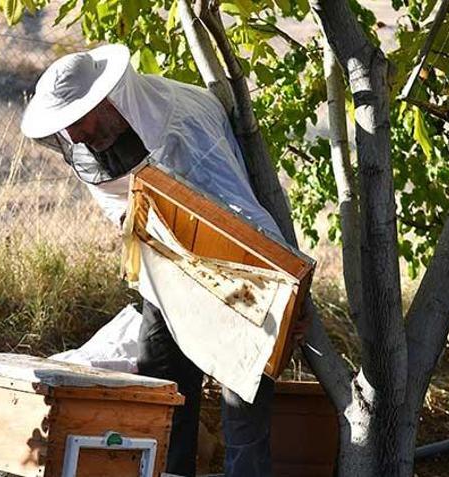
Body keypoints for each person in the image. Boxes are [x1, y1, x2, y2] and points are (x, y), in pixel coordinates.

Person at [20, 44, 280, 477]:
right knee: (160, 373)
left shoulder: (183, 124)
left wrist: (283, 289)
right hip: (167, 263)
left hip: (239, 267)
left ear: (107, 100)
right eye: (67, 128)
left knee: (243, 391)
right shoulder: (84, 142)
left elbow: (240, 214)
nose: (76, 136)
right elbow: (118, 205)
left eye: (79, 121)